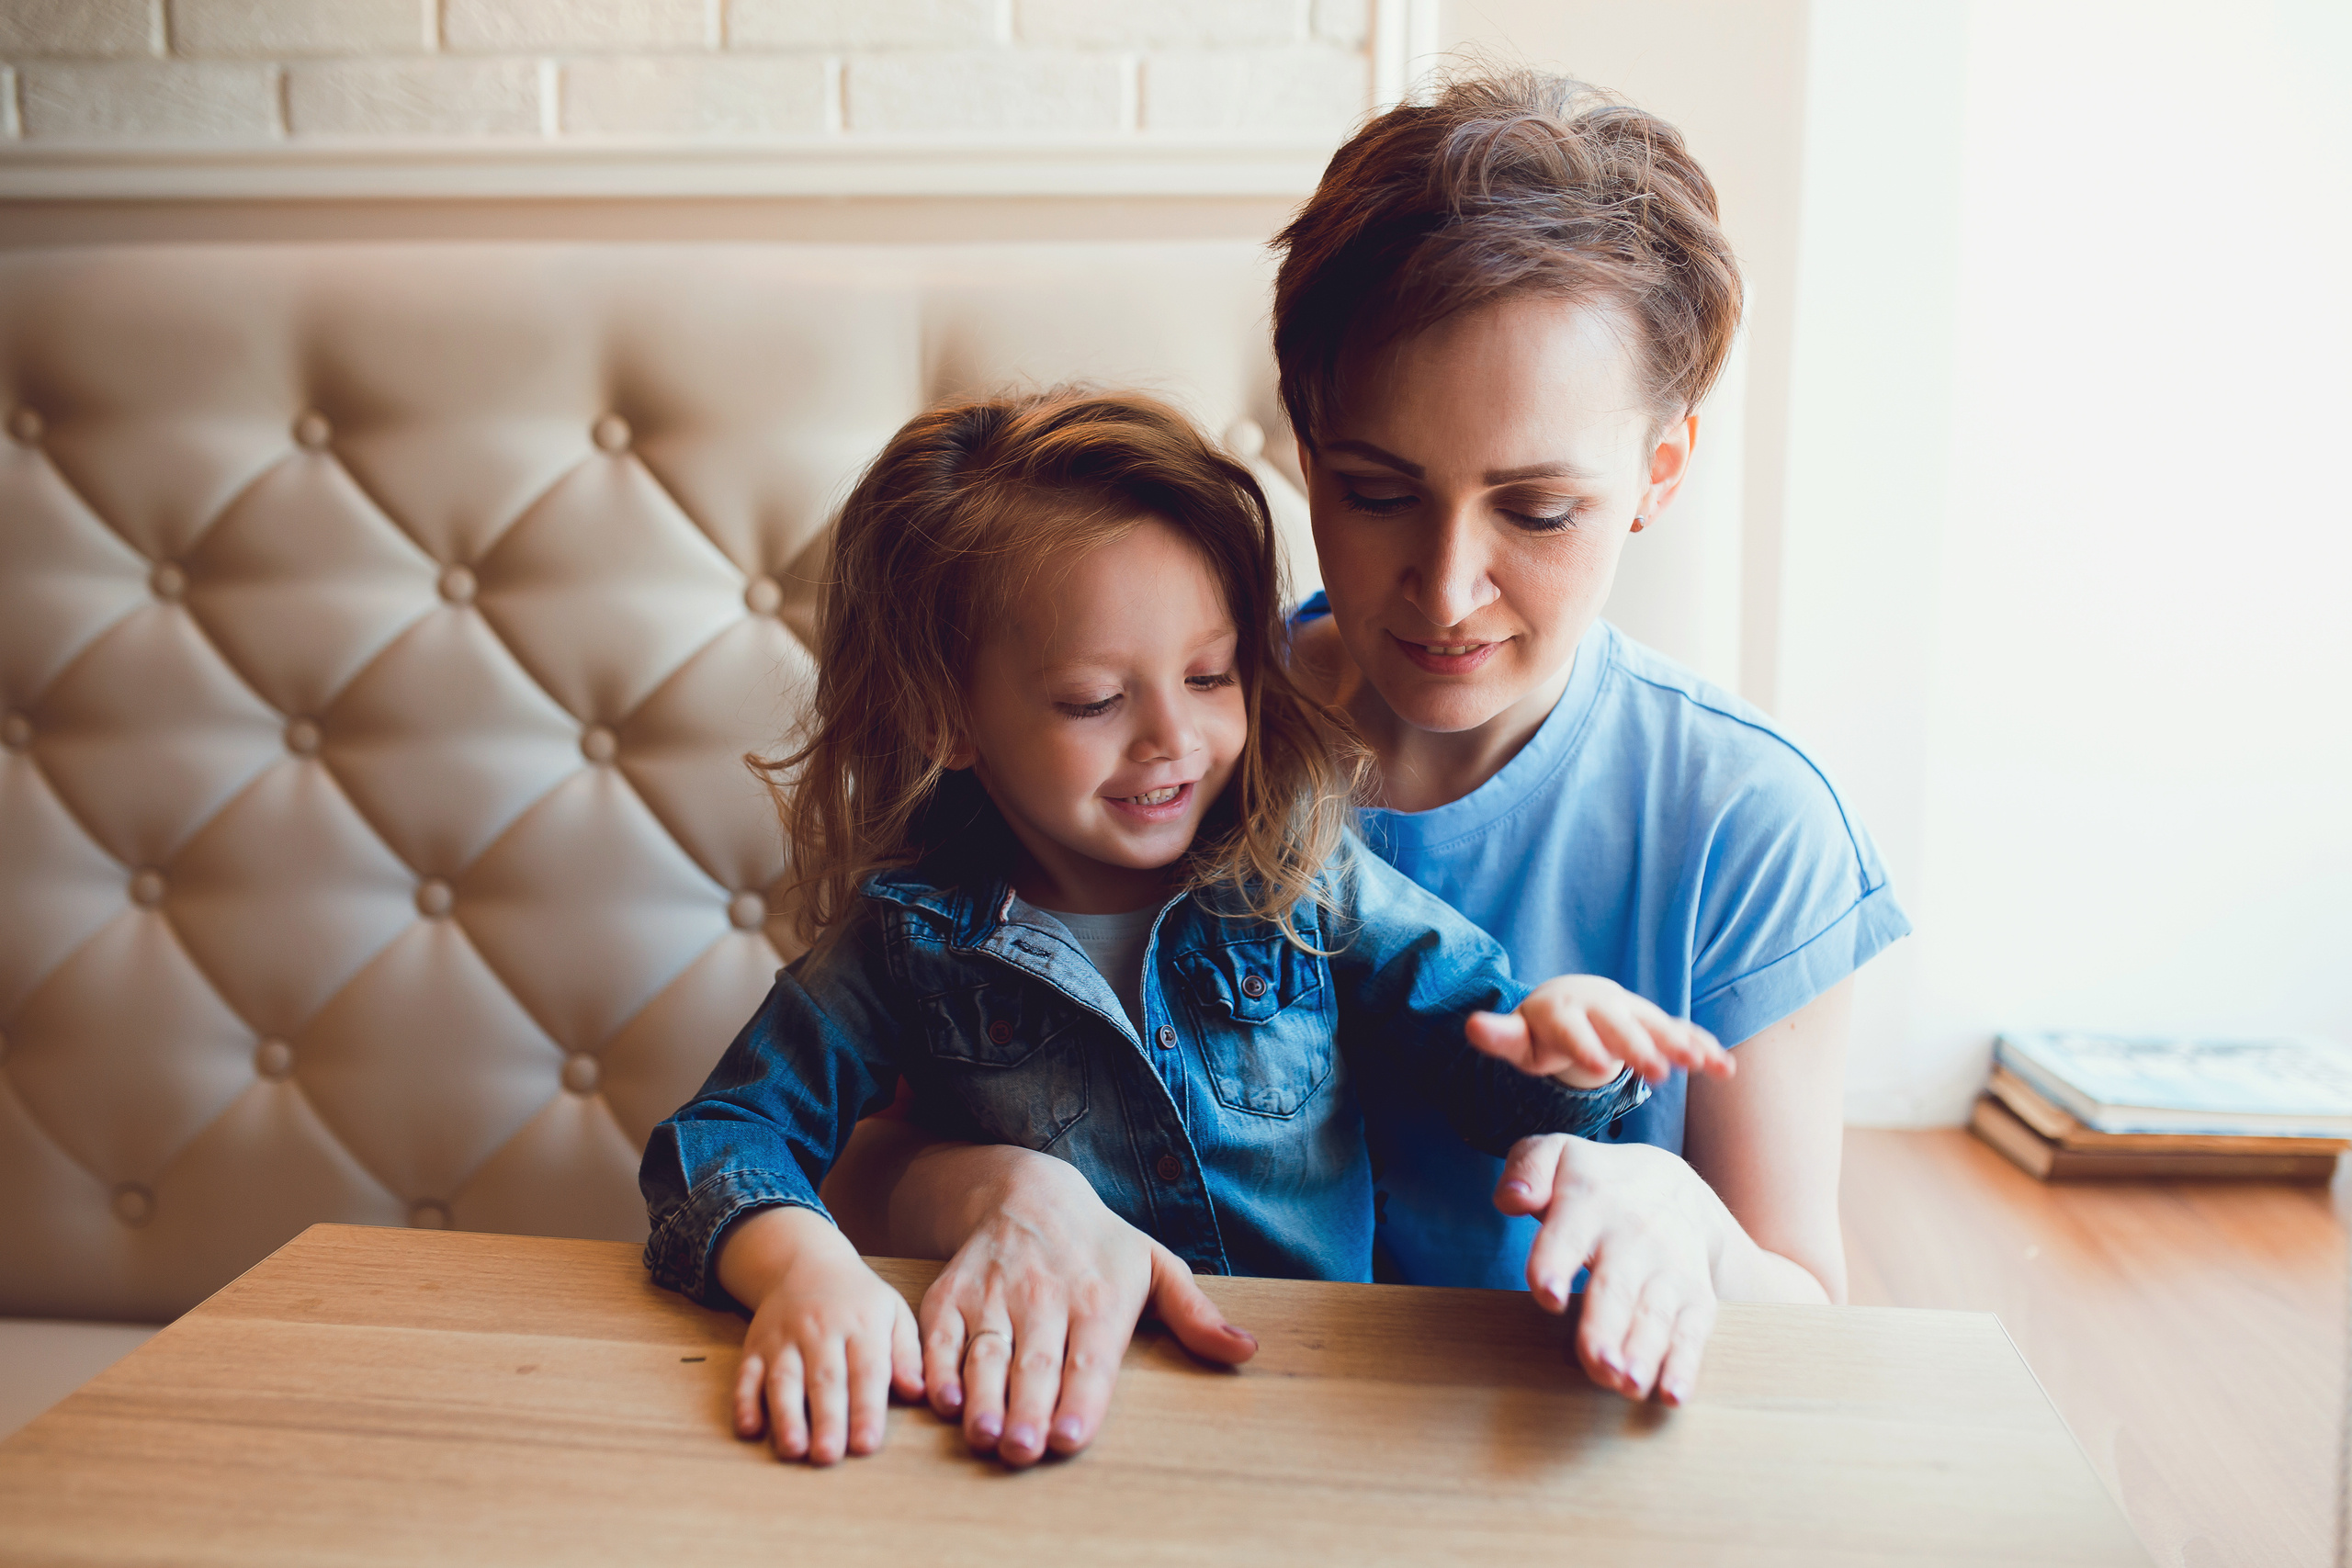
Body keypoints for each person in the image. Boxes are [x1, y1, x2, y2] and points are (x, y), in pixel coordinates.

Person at [825, 69, 1911, 1455]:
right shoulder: (1130, 748)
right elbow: (848, 1160)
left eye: (1539, 508)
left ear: (1662, 470)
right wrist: (985, 1188)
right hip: (1132, 1453)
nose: (1446, 589)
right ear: (1302, 439)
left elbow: (1808, 1309)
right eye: (1379, 492)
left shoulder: (1751, 822)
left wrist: (1691, 1227)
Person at [638, 388, 1733, 1467]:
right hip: (1032, 1414)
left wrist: (1559, 1042)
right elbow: (718, 1141)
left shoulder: (1299, 873)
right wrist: (803, 1273)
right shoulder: (905, 941)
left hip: (1312, 1417)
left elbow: (1486, 1065)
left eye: (1210, 676)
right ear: (948, 719)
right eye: (1091, 701)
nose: (1174, 738)